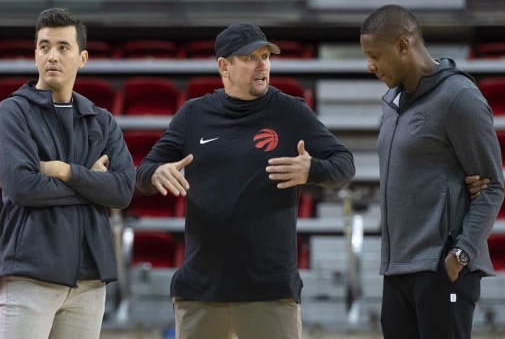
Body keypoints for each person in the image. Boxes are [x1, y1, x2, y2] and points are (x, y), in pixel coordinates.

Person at [136, 22, 356, 339]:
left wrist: (313, 170)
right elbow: (143, 172)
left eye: (265, 56)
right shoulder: (193, 115)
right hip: (201, 291)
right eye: (250, 57)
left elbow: (344, 163)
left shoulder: (290, 112)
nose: (262, 65)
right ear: (224, 66)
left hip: (270, 291)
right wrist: (156, 172)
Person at [0, 8, 135, 339]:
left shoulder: (101, 121)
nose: (52, 55)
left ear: (82, 57)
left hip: (90, 280)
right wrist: (91, 180)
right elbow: (23, 187)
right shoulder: (12, 113)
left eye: (63, 47)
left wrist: (67, 172)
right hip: (29, 273)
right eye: (44, 46)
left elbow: (123, 191)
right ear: (36, 53)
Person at [359, 5, 505, 339]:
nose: (370, 66)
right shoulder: (393, 103)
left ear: (402, 45)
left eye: (375, 55)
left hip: (442, 268)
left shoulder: (459, 98)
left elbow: (493, 186)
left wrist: (460, 254)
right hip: (398, 270)